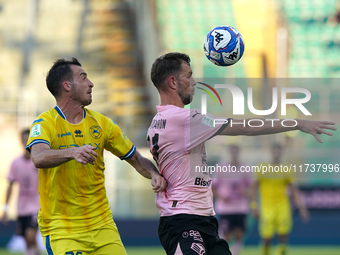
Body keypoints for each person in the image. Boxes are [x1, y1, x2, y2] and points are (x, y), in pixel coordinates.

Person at [146, 52, 335, 255]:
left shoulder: (157, 123)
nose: (194, 82)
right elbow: (247, 127)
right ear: (173, 82)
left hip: (202, 220)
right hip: (182, 221)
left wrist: (154, 174)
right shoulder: (185, 119)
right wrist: (297, 123)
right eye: (189, 75)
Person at [26, 57, 167, 255]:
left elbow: (136, 159)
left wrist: (153, 173)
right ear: (67, 86)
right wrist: (72, 152)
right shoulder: (45, 123)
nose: (91, 83)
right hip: (63, 230)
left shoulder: (102, 124)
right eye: (83, 78)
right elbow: (38, 158)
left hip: (103, 227)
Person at [250, 143, 309, 255]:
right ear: (271, 152)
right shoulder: (262, 168)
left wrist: (302, 208)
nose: (276, 153)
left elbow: (294, 190)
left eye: (278, 151)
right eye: (274, 150)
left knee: (283, 237)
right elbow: (253, 188)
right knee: (267, 239)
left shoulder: (286, 169)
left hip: (283, 207)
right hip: (267, 208)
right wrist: (253, 206)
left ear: (281, 152)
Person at [1, 129, 40, 255]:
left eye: (28, 139)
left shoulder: (40, 162)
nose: (26, 142)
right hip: (21, 208)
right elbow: (10, 186)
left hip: (36, 207)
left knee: (30, 236)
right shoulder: (16, 163)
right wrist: (5, 208)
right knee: (27, 241)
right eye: (24, 139)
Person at [212, 145, 252, 255]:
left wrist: (247, 193)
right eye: (232, 152)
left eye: (236, 152)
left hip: (240, 207)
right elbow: (212, 186)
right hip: (225, 209)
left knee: (239, 234)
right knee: (226, 236)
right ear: (229, 153)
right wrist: (221, 197)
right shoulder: (221, 167)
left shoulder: (245, 168)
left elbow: (251, 186)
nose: (234, 154)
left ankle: (234, 253)